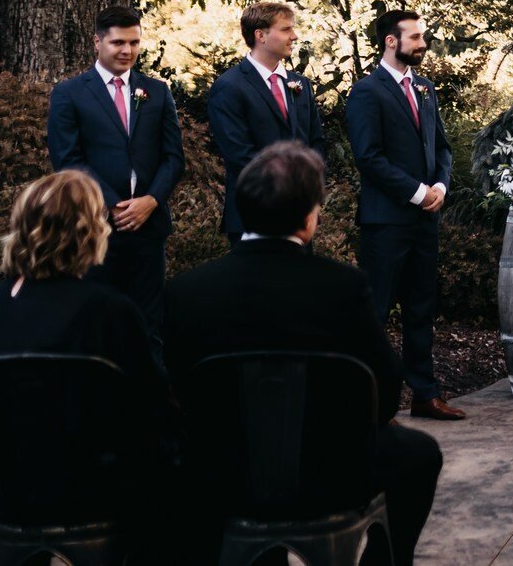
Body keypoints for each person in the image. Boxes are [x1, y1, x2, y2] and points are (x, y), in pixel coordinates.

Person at [165, 142, 441, 566]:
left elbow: (175, 393)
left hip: (223, 475)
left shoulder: (187, 291)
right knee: (421, 455)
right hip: (330, 474)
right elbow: (384, 392)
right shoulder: (343, 287)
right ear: (309, 218)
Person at [0, 172, 171, 547]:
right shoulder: (112, 312)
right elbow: (155, 410)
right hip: (97, 494)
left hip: (10, 498)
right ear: (93, 231)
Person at [344, 9, 462, 421]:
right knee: (376, 311)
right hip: (386, 221)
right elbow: (368, 157)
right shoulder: (367, 92)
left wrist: (441, 188)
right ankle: (370, 401)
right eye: (414, 37)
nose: (422, 43)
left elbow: (442, 149)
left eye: (422, 36)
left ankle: (425, 395)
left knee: (421, 308)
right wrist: (417, 193)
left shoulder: (426, 88)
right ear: (391, 41)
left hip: (426, 219)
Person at [46, 6, 186, 344]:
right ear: (97, 42)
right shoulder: (70, 93)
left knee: (147, 325)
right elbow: (67, 160)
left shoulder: (157, 91)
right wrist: (113, 204)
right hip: (95, 227)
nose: (127, 51)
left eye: (134, 43)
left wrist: (151, 201)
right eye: (118, 43)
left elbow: (174, 157)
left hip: (148, 227)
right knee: (96, 322)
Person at [205, 1, 325, 242]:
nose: (294, 36)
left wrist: (309, 195)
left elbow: (316, 142)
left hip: (301, 215)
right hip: (253, 213)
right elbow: (238, 153)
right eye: (286, 29)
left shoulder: (301, 85)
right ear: (260, 35)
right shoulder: (229, 86)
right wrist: (289, 192)